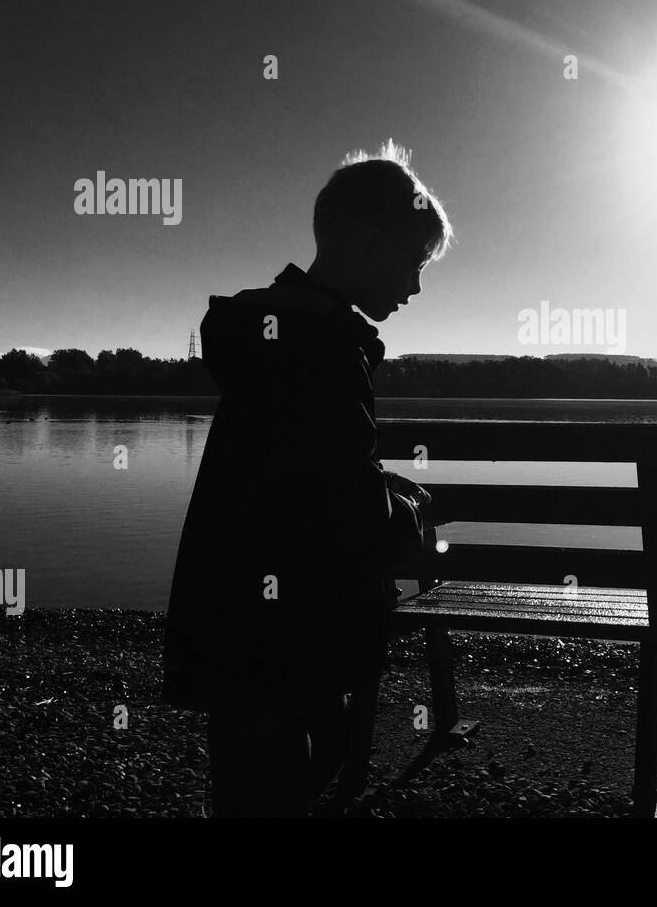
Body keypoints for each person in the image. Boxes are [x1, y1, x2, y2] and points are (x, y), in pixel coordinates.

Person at [162, 140, 453, 816]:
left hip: (234, 612)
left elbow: (306, 470)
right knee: (295, 764)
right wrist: (403, 512)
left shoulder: (274, 334)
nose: (415, 287)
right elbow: (334, 505)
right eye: (413, 264)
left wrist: (374, 486)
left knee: (253, 770)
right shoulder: (322, 350)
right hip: (291, 626)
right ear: (369, 242)